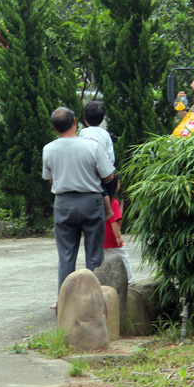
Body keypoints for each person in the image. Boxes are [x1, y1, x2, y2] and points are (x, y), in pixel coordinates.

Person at [42, 107, 115, 303]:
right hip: (91, 202)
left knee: (66, 256)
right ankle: (93, 301)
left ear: (54, 128)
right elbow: (108, 175)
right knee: (94, 255)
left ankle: (65, 302)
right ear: (75, 121)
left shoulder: (48, 149)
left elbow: (49, 178)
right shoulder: (91, 147)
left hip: (63, 203)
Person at [78, 101, 115, 219]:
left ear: (85, 119)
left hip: (86, 167)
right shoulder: (105, 134)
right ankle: (108, 210)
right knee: (102, 190)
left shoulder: (83, 132)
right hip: (103, 168)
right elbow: (111, 156)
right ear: (102, 118)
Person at [103, 174, 134, 283]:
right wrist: (118, 237)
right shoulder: (114, 203)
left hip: (103, 238)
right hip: (112, 239)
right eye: (119, 182)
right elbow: (113, 221)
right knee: (123, 257)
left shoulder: (102, 201)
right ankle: (129, 280)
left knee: (106, 259)